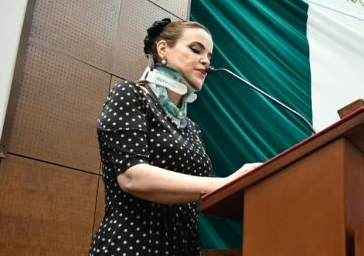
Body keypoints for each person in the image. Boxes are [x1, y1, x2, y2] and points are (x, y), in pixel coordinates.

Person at [88, 19, 261, 255]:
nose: (206, 61)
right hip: (132, 245)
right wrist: (227, 181)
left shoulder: (192, 128)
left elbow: (201, 196)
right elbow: (132, 177)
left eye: (209, 55)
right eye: (196, 49)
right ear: (162, 50)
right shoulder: (130, 95)